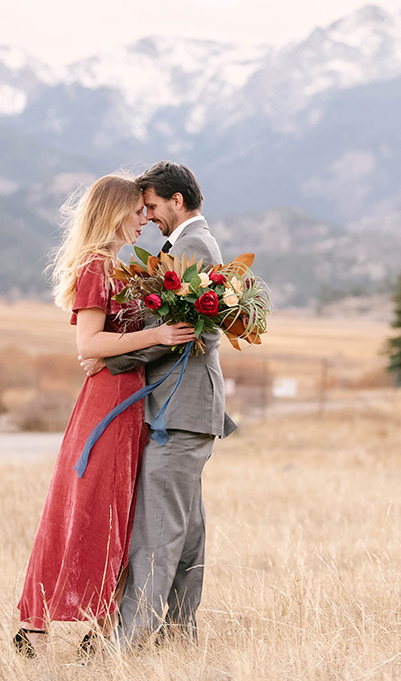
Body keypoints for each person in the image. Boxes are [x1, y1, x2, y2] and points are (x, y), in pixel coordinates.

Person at [14, 174, 194, 658]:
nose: (145, 219)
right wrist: (156, 337)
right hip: (108, 403)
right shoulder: (97, 267)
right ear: (116, 212)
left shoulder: (121, 267)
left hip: (130, 398)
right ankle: (36, 626)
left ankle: (105, 621)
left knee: (121, 510)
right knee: (89, 506)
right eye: (138, 211)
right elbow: (89, 345)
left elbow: (107, 347)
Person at [81, 161, 237, 648]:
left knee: (158, 532)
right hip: (189, 407)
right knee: (187, 530)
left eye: (151, 206)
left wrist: (115, 358)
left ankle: (126, 643)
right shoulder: (189, 246)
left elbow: (193, 335)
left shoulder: (191, 246)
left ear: (176, 200)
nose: (147, 217)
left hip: (179, 405)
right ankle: (180, 634)